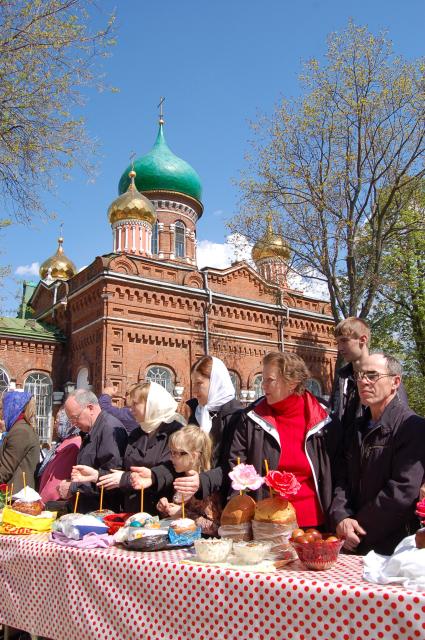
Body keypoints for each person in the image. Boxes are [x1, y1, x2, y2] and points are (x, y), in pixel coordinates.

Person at [227, 351, 340, 530]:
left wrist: (340, 515)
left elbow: (338, 470)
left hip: (314, 521)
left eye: (269, 380)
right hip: (267, 521)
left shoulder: (323, 417)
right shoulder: (251, 418)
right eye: (262, 379)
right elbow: (237, 465)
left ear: (292, 382)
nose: (263, 386)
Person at [329, 352, 425, 555]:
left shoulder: (413, 428)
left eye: (372, 375)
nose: (363, 382)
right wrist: (341, 517)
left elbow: (403, 490)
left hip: (394, 548)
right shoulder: (355, 429)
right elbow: (341, 479)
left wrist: (358, 528)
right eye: (360, 375)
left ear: (395, 382)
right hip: (351, 540)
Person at [72, 381, 185, 514]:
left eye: (136, 404)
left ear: (151, 404)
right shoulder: (137, 433)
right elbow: (122, 472)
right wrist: (96, 475)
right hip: (133, 512)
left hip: (162, 512)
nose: (131, 409)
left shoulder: (175, 432)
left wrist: (126, 479)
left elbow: (170, 470)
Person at [171, 355, 241, 503]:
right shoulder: (198, 413)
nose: (194, 391)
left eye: (199, 383)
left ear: (216, 382)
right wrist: (154, 476)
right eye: (193, 384)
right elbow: (183, 454)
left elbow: (235, 465)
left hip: (225, 503)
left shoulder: (236, 416)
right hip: (197, 500)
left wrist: (203, 481)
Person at [330, 317, 407, 429]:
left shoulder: (386, 374)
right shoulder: (343, 377)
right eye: (337, 342)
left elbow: (398, 420)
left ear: (363, 339)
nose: (340, 348)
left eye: (344, 340)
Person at [63, 389, 127, 513]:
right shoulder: (92, 429)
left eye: (75, 418)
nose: (74, 424)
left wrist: (74, 487)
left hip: (102, 513)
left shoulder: (109, 429)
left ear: (90, 408)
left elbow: (111, 478)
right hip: (87, 509)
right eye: (70, 420)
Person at [156, 425, 221, 536]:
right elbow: (174, 519)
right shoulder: (178, 477)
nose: (171, 458)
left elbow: (215, 528)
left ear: (194, 456)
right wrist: (165, 509)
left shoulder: (207, 486)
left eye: (176, 453)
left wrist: (182, 513)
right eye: (171, 452)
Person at [38, 408, 81, 504]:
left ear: (70, 424)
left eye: (59, 423)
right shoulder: (64, 442)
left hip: (54, 504)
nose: (55, 426)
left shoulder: (72, 445)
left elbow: (56, 481)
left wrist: (43, 503)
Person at [0, 390, 39, 491]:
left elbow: (5, 469)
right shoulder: (18, 428)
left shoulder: (20, 430)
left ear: (12, 408)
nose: (2, 412)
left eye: (3, 408)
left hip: (16, 497)